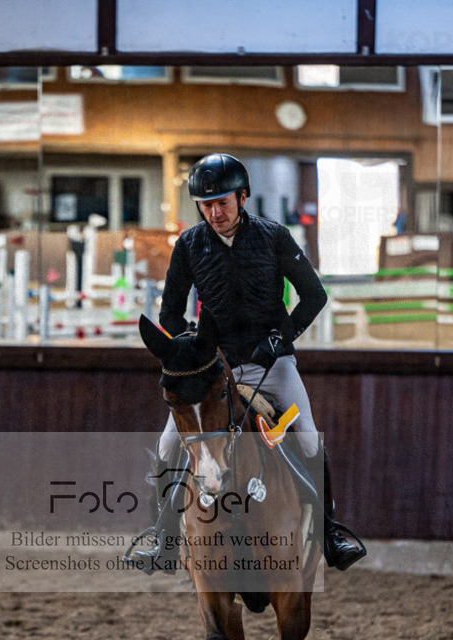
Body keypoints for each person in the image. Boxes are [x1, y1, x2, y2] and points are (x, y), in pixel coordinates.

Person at [133, 152, 365, 574]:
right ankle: (161, 535)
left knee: (309, 438)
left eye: (222, 202)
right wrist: (192, 342)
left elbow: (314, 295)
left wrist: (281, 338)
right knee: (169, 445)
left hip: (271, 364)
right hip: (212, 370)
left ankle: (330, 532)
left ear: (243, 197)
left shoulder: (274, 236)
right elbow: (169, 313)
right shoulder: (189, 245)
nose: (214, 212)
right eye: (206, 205)